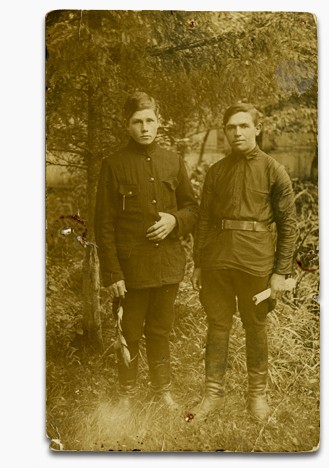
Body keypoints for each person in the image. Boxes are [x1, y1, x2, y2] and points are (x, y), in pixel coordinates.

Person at [191, 102, 298, 421]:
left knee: (256, 326)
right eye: (231, 127)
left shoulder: (274, 170)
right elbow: (205, 220)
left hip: (256, 262)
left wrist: (280, 272)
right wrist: (199, 263)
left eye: (243, 126)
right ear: (225, 131)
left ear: (257, 129)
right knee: (217, 325)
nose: (237, 132)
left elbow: (288, 225)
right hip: (218, 262)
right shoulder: (216, 172)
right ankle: (212, 395)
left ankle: (257, 397)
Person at [95, 91, 199, 411]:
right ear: (127, 125)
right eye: (137, 122)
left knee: (160, 329)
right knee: (128, 331)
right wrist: (113, 273)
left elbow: (193, 209)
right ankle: (126, 394)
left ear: (159, 122)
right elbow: (103, 224)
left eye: (150, 120)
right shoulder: (113, 165)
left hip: (167, 265)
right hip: (131, 270)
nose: (144, 128)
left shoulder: (173, 161)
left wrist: (174, 220)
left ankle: (162, 390)